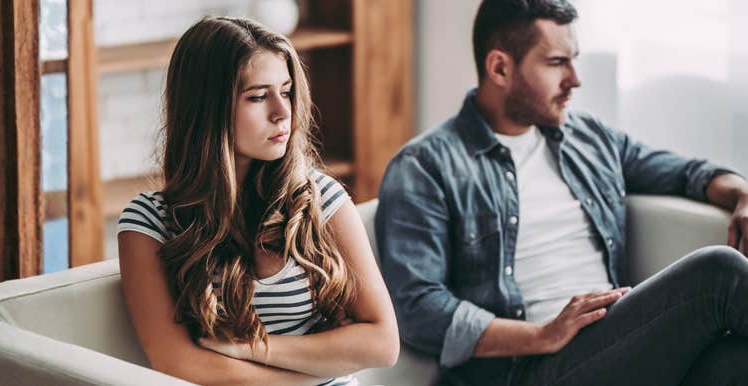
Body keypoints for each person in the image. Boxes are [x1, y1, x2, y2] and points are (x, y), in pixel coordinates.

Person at [375, 1, 748, 385]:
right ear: (500, 68)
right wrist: (543, 335)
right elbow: (417, 307)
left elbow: (687, 174)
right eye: (556, 63)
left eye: (574, 60)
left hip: (613, 347)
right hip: (524, 370)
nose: (574, 79)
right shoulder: (426, 165)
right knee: (719, 272)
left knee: (736, 358)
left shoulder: (588, 138)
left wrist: (742, 194)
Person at [117, 17, 398, 386]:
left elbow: (382, 344)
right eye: (258, 96)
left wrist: (249, 348)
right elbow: (178, 363)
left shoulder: (321, 197)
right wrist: (318, 369)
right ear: (207, 109)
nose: (282, 112)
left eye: (286, 91)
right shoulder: (149, 223)